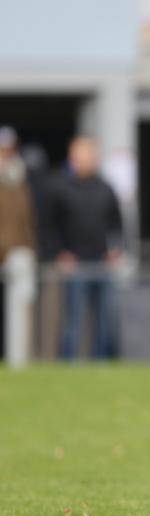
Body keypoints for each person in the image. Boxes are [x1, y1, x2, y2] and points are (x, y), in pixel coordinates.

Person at [48, 137, 123, 359]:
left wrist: (116, 251)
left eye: (90, 156)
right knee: (74, 319)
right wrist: (60, 254)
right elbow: (50, 226)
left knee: (103, 320)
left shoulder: (105, 188)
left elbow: (117, 224)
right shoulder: (61, 188)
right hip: (75, 264)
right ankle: (68, 363)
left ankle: (101, 364)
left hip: (101, 263)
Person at [0, 126, 36, 360]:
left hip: (19, 248)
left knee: (22, 304)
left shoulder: (22, 174)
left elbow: (27, 217)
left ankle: (18, 359)